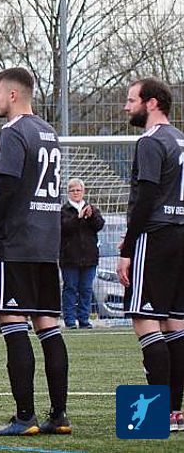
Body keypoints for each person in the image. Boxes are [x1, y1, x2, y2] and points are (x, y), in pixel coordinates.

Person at [0, 67, 70, 436]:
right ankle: (59, 416)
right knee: (48, 326)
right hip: (46, 242)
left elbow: (6, 192)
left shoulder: (12, 130)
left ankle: (24, 417)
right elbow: (28, 178)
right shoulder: (48, 131)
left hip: (16, 242)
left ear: (13, 94)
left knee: (13, 323)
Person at [116, 77, 184, 433]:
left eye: (131, 100)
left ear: (152, 103)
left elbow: (146, 198)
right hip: (180, 235)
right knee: (175, 324)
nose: (127, 107)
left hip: (154, 236)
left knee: (145, 319)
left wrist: (128, 248)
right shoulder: (180, 139)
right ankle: (175, 412)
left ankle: (156, 415)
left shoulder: (151, 141)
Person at [59, 178, 104, 330]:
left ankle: (84, 319)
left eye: (78, 190)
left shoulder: (92, 209)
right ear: (68, 193)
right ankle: (70, 320)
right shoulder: (63, 211)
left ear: (83, 191)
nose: (76, 193)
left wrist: (91, 216)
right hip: (69, 258)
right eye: (72, 190)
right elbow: (64, 228)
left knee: (86, 289)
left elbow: (99, 225)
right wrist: (78, 217)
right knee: (70, 289)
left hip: (89, 258)